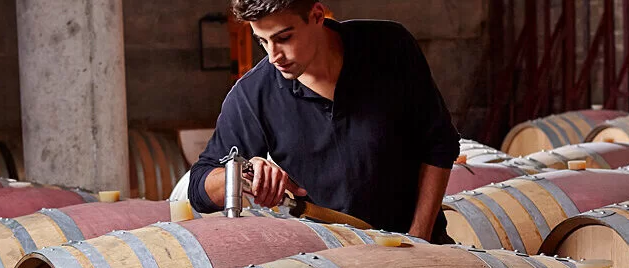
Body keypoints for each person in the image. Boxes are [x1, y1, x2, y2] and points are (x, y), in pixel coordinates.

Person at [185, 0, 459, 242]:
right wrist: (244, 172)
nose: (273, 56)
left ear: (316, 15)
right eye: (262, 41)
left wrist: (418, 239)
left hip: (424, 249)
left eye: (284, 37)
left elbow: (439, 143)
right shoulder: (253, 94)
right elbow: (199, 186)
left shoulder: (390, 46)